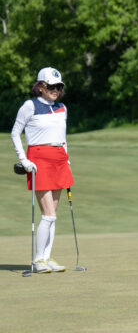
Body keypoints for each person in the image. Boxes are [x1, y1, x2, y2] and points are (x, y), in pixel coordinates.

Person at [10, 67, 74, 273]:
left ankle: (46, 257)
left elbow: (63, 137)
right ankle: (38, 260)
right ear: (40, 86)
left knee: (53, 214)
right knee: (48, 214)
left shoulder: (62, 108)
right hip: (39, 160)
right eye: (51, 86)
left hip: (59, 159)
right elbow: (15, 133)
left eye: (58, 87)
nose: (56, 90)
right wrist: (23, 159)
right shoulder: (30, 106)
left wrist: (66, 158)